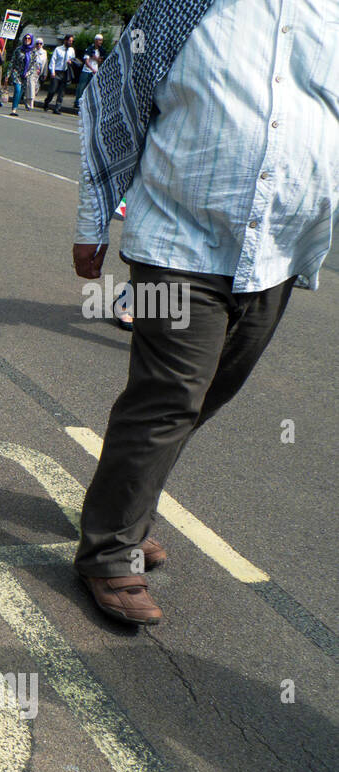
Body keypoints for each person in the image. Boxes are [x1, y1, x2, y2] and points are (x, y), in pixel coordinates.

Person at [71, 0, 338, 625]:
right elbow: (114, 103)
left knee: (213, 390)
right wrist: (92, 223)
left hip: (279, 246)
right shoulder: (182, 7)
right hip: (179, 240)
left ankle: (122, 511)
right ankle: (109, 553)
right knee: (169, 396)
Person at [44, 33, 76, 113]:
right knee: (52, 90)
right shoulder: (58, 49)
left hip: (65, 72)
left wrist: (70, 62)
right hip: (57, 72)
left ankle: (57, 108)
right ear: (65, 40)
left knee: (61, 92)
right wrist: (52, 71)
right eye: (69, 41)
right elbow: (53, 60)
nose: (70, 42)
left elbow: (73, 60)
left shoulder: (71, 50)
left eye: (72, 41)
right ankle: (46, 103)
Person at [7, 32, 34, 115]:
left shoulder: (33, 52)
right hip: (16, 72)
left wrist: (28, 73)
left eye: (29, 39)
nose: (27, 40)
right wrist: (8, 74)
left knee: (21, 92)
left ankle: (16, 106)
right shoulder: (18, 50)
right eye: (25, 38)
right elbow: (12, 62)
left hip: (25, 75)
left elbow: (32, 67)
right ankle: (14, 110)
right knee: (17, 90)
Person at [75, 33, 105, 106]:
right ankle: (77, 102)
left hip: (95, 71)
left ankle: (87, 103)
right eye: (99, 40)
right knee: (81, 87)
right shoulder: (89, 49)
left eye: (101, 40)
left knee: (92, 88)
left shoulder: (101, 50)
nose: (100, 42)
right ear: (95, 40)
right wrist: (92, 68)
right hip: (87, 71)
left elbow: (101, 60)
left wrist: (96, 58)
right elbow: (87, 61)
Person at [21, 36, 46, 112]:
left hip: (38, 71)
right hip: (31, 69)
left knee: (35, 87)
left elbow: (45, 63)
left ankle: (28, 99)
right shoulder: (32, 50)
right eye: (37, 43)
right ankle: (30, 103)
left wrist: (44, 73)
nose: (39, 45)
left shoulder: (44, 52)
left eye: (40, 44)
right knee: (30, 86)